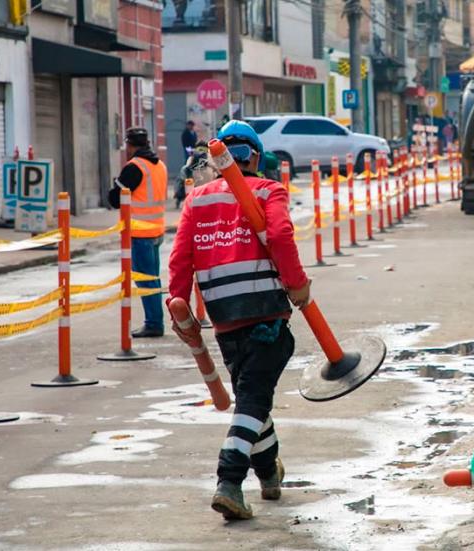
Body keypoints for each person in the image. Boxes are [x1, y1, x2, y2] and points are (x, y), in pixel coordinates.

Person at [168, 120, 311, 520]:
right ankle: (229, 480)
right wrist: (298, 286)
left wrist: (178, 308)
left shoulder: (196, 200)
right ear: (256, 157)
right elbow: (280, 238)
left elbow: (181, 260)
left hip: (224, 317)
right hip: (264, 311)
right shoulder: (268, 190)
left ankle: (268, 473)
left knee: (253, 396)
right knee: (252, 399)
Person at [108, 128, 167, 338]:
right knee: (153, 280)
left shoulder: (134, 167)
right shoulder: (159, 165)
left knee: (145, 280)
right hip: (157, 231)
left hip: (140, 234)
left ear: (131, 146)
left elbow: (114, 199)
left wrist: (116, 184)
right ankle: (155, 320)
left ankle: (154, 323)